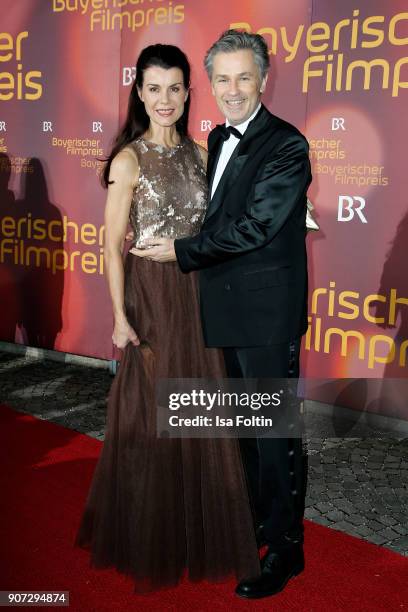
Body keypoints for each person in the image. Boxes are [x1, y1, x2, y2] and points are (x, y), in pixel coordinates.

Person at [131, 30, 312, 599]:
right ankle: (254, 524)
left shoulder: (287, 144)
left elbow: (257, 226)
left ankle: (286, 549)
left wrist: (180, 252)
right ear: (209, 84)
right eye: (223, 79)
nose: (232, 90)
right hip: (223, 308)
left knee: (274, 434)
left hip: (265, 315)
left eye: (244, 77)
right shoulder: (214, 134)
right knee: (241, 431)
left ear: (263, 79)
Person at [74, 43, 261, 593]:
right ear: (139, 92)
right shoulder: (128, 160)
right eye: (154, 88)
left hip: (197, 296)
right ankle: (151, 534)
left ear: (187, 92)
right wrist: (118, 317)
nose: (165, 99)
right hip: (151, 300)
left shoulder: (202, 155)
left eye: (176, 88)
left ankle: (193, 532)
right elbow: (110, 247)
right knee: (153, 418)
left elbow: (217, 233)